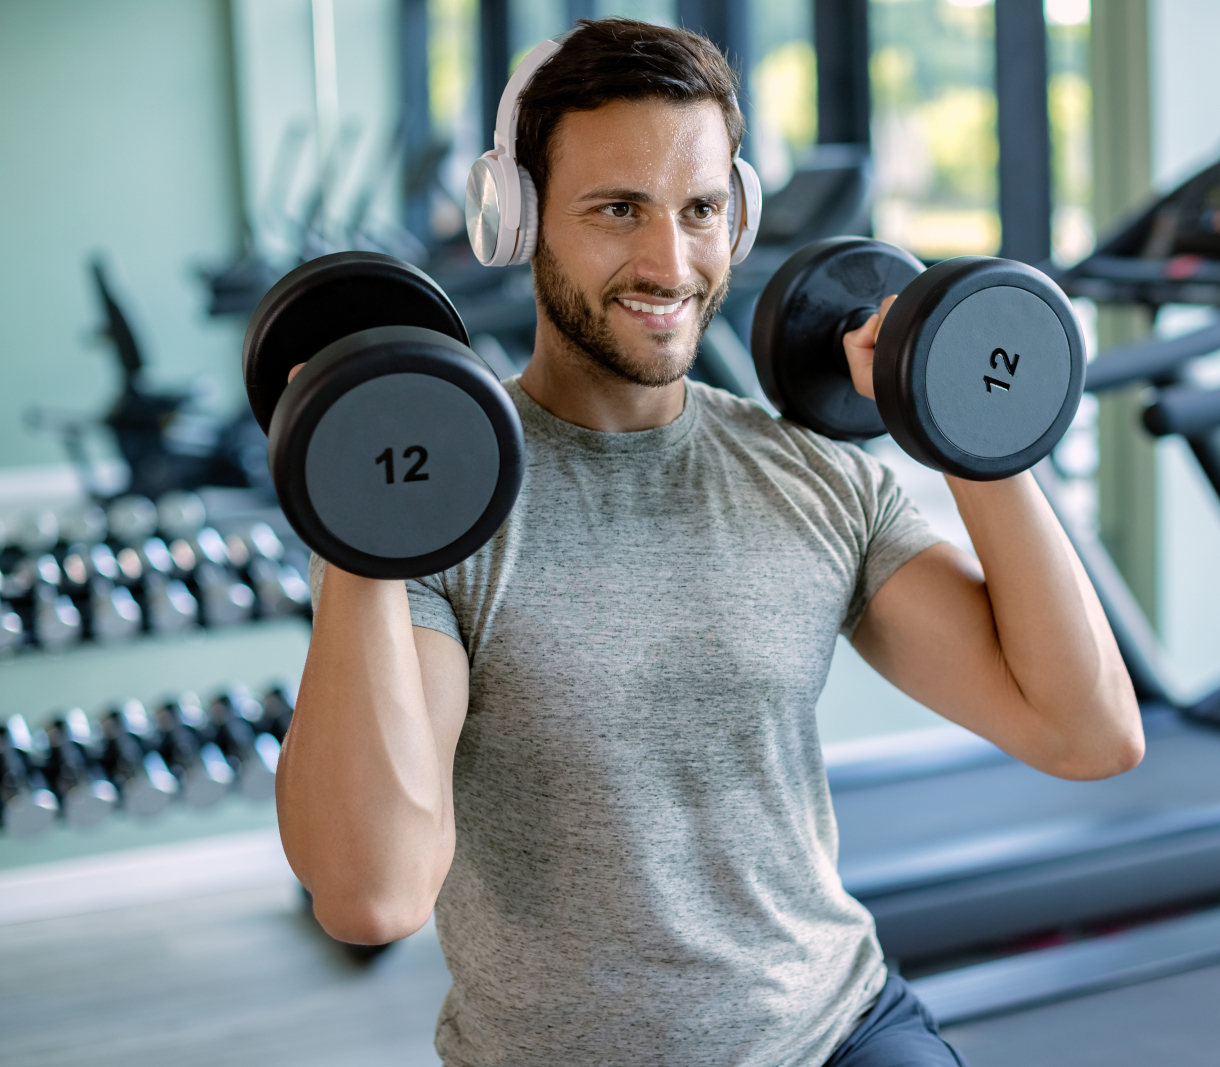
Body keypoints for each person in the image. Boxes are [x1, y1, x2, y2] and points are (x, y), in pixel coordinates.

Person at [275, 17, 1142, 1067]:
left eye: (699, 209)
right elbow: (373, 895)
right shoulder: (442, 522)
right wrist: (362, 513)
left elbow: (1085, 733)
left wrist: (962, 421)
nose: (668, 259)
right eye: (616, 209)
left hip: (838, 1032)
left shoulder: (811, 477)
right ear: (515, 218)